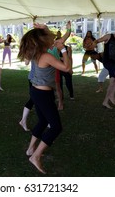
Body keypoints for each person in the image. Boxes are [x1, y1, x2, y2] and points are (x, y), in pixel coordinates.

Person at [18, 23, 71, 174]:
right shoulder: (46, 55)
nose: (52, 38)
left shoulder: (38, 52)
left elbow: (50, 36)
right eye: (48, 36)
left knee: (43, 121)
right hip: (43, 94)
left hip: (36, 91)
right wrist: (63, 50)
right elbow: (66, 68)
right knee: (56, 127)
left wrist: (44, 28)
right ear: (42, 40)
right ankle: (35, 156)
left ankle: (30, 149)